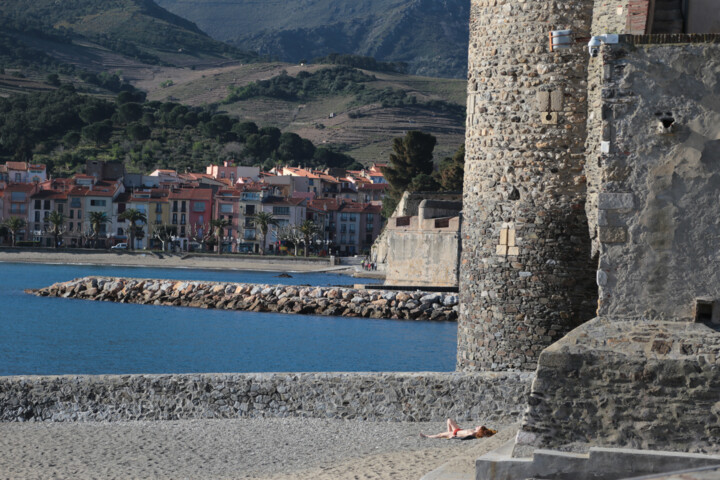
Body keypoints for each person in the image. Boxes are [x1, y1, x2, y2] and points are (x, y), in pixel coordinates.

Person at [420, 419, 497, 440]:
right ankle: (448, 432)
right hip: (457, 430)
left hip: (455, 433)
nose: (477, 426)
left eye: (478, 426)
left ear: (480, 429)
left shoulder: (473, 434)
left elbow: (465, 437)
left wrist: (453, 437)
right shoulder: (474, 432)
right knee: (449, 420)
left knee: (440, 434)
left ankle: (427, 436)